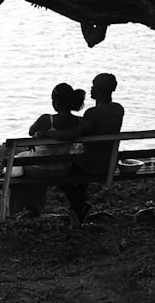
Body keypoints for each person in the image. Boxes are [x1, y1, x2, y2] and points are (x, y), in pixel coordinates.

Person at [37, 73, 124, 225]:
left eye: (94, 85)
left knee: (60, 167)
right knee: (79, 161)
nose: (91, 88)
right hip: (110, 163)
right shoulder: (118, 109)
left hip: (92, 165)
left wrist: (46, 133)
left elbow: (72, 134)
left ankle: (78, 203)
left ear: (101, 89)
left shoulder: (93, 113)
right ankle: (77, 207)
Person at [7, 83, 85, 216]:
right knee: (33, 161)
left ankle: (16, 209)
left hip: (41, 169)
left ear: (56, 102)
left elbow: (31, 131)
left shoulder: (46, 119)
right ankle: (34, 208)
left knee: (19, 165)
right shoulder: (79, 121)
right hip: (63, 169)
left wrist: (39, 134)